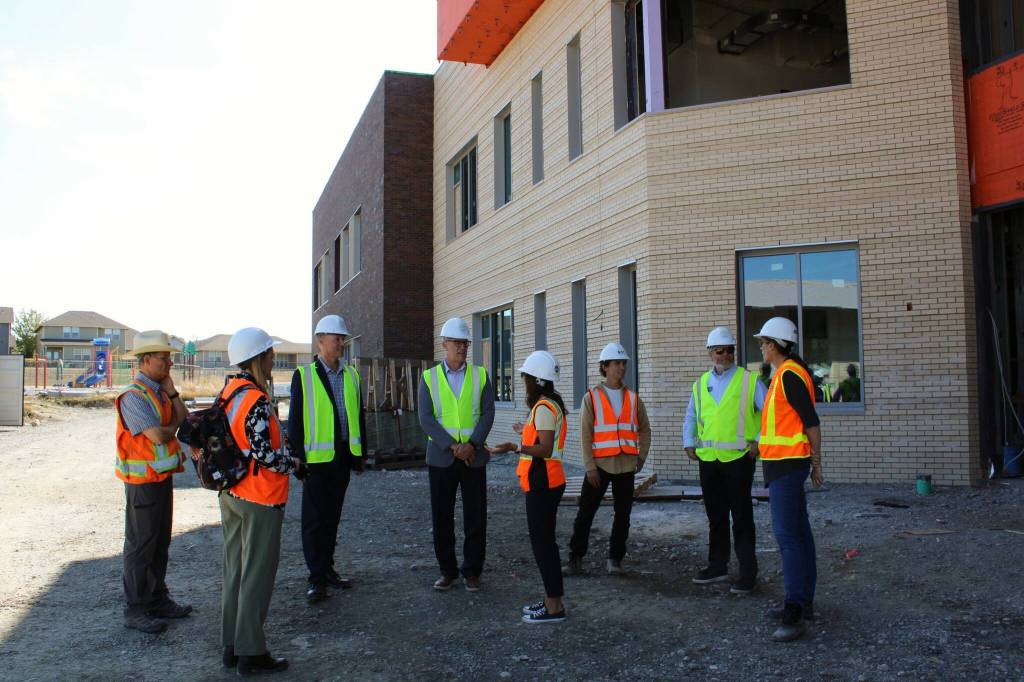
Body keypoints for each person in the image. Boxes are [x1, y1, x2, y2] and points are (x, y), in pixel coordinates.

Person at [218, 328, 305, 675]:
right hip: (260, 498)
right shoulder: (254, 399)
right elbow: (263, 454)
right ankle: (251, 653)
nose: (274, 360)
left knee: (236, 571)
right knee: (256, 575)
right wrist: (294, 465)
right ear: (257, 359)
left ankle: (232, 645)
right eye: (270, 355)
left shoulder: (229, 392)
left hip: (233, 494)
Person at [114, 330, 190, 633]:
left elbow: (182, 419)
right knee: (140, 545)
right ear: (146, 361)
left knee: (160, 542)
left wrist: (172, 393)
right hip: (141, 482)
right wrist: (171, 427)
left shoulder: (159, 392)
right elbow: (158, 435)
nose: (169, 362)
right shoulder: (133, 396)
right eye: (164, 357)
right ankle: (136, 609)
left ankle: (158, 599)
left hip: (160, 479)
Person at [754, 317, 824, 642]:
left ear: (775, 345)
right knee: (800, 533)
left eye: (764, 342)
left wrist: (817, 464)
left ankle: (794, 610)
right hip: (782, 464)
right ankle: (803, 602)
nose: (761, 347)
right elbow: (785, 425)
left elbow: (811, 423)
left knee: (788, 537)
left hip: (787, 466)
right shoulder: (784, 374)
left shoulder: (789, 376)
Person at [682, 327, 766, 594]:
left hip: (739, 458)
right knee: (715, 515)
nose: (726, 355)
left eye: (730, 350)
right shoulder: (700, 384)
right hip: (709, 459)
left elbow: (772, 414)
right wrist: (689, 441)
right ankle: (717, 565)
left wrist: (759, 440)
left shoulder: (749, 380)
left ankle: (747, 573)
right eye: (720, 350)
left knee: (741, 516)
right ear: (710, 353)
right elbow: (692, 416)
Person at [288, 314, 366, 603]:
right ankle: (316, 578)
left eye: (343, 338)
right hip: (316, 462)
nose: (341, 343)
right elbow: (295, 420)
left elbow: (359, 416)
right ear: (320, 341)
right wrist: (297, 457)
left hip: (342, 458)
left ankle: (328, 569)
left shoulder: (352, 375)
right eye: (337, 338)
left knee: (332, 518)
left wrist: (360, 455)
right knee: (314, 521)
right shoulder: (304, 376)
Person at [489, 351, 568, 623]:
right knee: (545, 543)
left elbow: (545, 448)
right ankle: (551, 600)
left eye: (525, 378)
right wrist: (525, 429)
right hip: (546, 481)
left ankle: (554, 606)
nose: (523, 383)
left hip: (543, 482)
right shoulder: (548, 405)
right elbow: (543, 436)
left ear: (535, 379)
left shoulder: (544, 407)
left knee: (543, 544)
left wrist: (514, 446)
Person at [418, 317, 495, 591]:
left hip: (473, 457)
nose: (461, 347)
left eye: (465, 343)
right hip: (442, 457)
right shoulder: (429, 378)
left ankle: (472, 571)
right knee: (442, 516)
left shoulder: (480, 375)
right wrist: (454, 446)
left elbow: (488, 413)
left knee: (476, 516)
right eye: (456, 342)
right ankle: (447, 570)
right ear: (444, 345)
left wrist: (472, 444)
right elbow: (426, 418)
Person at [565, 342, 651, 575]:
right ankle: (575, 559)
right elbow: (585, 434)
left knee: (623, 516)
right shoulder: (591, 397)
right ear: (604, 367)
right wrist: (589, 467)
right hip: (599, 467)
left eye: (623, 364)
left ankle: (615, 560)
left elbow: (645, 429)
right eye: (616, 364)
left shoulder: (633, 399)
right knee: (585, 513)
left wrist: (641, 457)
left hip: (626, 466)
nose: (621, 368)